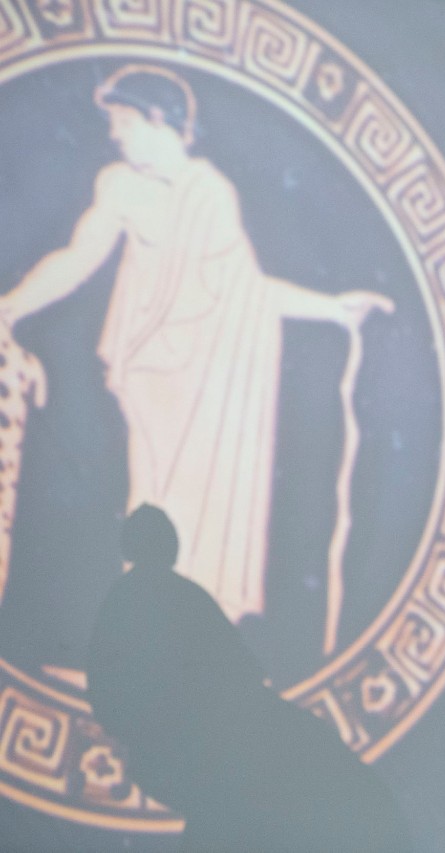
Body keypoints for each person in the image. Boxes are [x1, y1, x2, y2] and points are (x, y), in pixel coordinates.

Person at [0, 64, 391, 625]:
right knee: (152, 504)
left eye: (125, 121)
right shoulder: (120, 184)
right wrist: (13, 305)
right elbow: (79, 257)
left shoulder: (209, 193)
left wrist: (331, 308)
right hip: (150, 374)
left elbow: (246, 290)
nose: (115, 134)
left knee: (196, 513)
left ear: (159, 119)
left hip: (208, 382)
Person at [86, 504, 411, 851]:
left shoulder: (144, 600)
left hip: (201, 739)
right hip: (201, 739)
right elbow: (234, 668)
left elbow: (230, 666)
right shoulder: (170, 597)